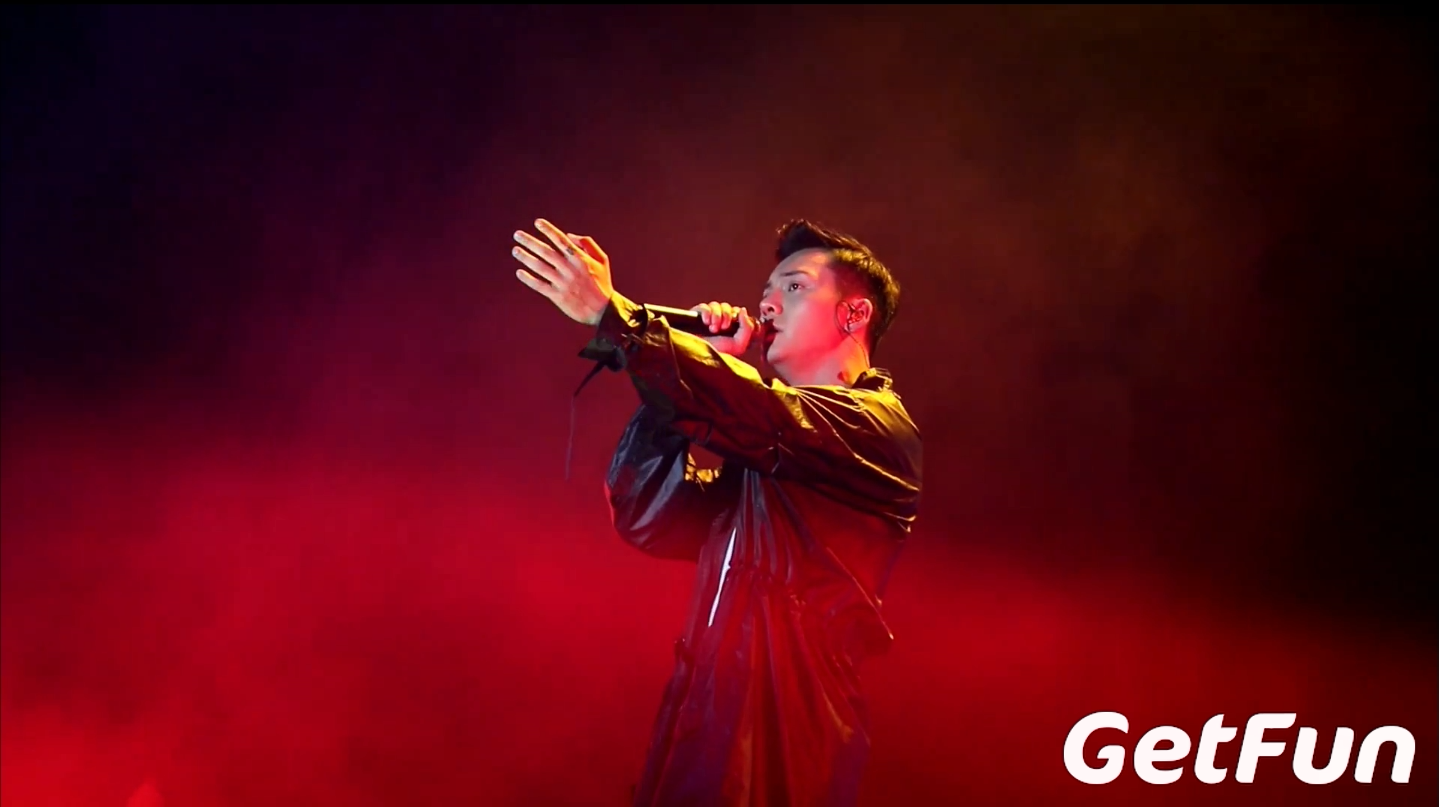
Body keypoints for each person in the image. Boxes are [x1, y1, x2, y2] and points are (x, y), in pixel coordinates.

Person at [511, 217, 922, 806]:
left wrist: (615, 316)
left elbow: (761, 416)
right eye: (766, 290)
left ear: (854, 314)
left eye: (795, 287)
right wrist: (695, 372)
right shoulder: (764, 464)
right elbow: (647, 514)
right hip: (702, 734)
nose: (767, 303)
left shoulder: (876, 431)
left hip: (785, 744)